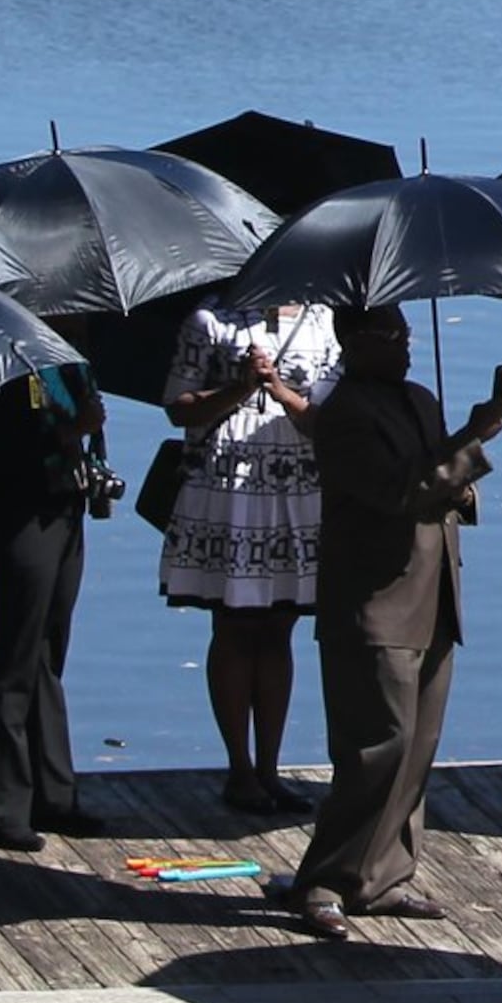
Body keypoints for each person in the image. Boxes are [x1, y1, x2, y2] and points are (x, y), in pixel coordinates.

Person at [281, 307, 502, 940]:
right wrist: (472, 438)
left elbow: (438, 484)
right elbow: (395, 492)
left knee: (418, 746)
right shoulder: (345, 413)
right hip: (375, 601)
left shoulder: (418, 397)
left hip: (435, 597)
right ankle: (323, 880)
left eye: (407, 335)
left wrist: (463, 482)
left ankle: (384, 876)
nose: (405, 346)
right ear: (352, 344)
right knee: (374, 746)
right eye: (390, 338)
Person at [161, 296, 343, 815]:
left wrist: (282, 393)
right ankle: (239, 768)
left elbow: (333, 413)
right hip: (229, 489)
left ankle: (270, 768)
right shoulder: (210, 318)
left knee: (280, 627)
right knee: (235, 625)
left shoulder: (326, 319)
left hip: (297, 489)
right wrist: (240, 387)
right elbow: (178, 407)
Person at [0, 363, 108, 851]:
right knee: (12, 654)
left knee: (48, 655)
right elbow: (9, 450)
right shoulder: (7, 372)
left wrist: (85, 434)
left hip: (64, 512)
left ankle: (52, 794)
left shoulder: (70, 368)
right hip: (17, 516)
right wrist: (76, 427)